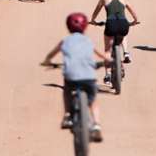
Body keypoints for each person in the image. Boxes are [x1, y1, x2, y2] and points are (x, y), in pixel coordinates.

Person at [42, 12, 108, 142]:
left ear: (68, 26)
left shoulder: (65, 41)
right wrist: (109, 60)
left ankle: (67, 115)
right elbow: (103, 56)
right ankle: (96, 126)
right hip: (89, 77)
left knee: (66, 91)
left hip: (71, 77)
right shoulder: (88, 41)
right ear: (85, 27)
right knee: (93, 100)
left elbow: (51, 55)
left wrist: (47, 61)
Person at [90, 0, 140, 70]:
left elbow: (95, 12)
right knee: (123, 33)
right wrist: (134, 21)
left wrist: (93, 21)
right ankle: (126, 53)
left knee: (107, 50)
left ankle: (107, 75)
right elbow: (133, 13)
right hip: (123, 24)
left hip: (110, 24)